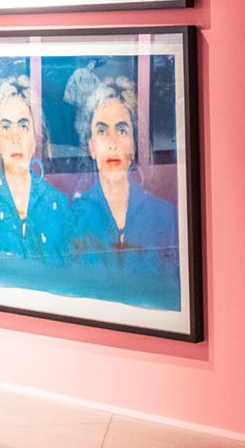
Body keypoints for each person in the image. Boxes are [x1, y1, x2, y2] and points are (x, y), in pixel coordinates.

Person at [68, 76, 181, 309]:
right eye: (102, 131)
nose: (112, 143)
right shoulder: (73, 215)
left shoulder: (165, 215)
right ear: (90, 146)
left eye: (121, 131)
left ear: (133, 143)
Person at [0, 77, 72, 261]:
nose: (15, 137)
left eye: (23, 126)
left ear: (34, 139)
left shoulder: (59, 204)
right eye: (6, 126)